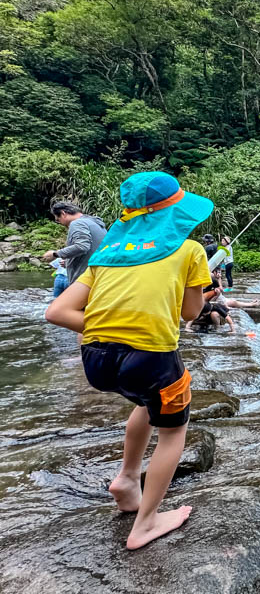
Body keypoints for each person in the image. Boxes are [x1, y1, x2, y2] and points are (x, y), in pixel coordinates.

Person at [44, 171, 213, 550]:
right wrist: (203, 290)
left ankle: (127, 477)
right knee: (173, 431)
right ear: (178, 213)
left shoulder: (106, 256)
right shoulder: (190, 251)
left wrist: (114, 326)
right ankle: (146, 523)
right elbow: (190, 312)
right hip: (151, 359)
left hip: (97, 360)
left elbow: (56, 312)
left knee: (144, 401)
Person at [43, 202, 107, 285]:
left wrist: (55, 254)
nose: (61, 224)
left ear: (63, 213)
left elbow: (82, 246)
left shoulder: (77, 223)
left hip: (84, 281)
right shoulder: (96, 224)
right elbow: (93, 250)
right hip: (99, 276)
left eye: (58, 220)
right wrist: (69, 262)